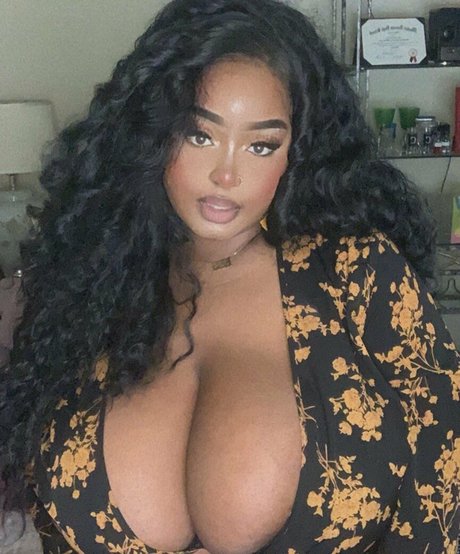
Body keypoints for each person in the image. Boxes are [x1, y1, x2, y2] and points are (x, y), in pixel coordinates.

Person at [1, 0, 459, 552]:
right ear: (153, 133)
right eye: (200, 135)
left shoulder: (358, 275)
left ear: (297, 154)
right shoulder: (88, 283)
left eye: (262, 144)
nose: (226, 173)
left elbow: (444, 487)